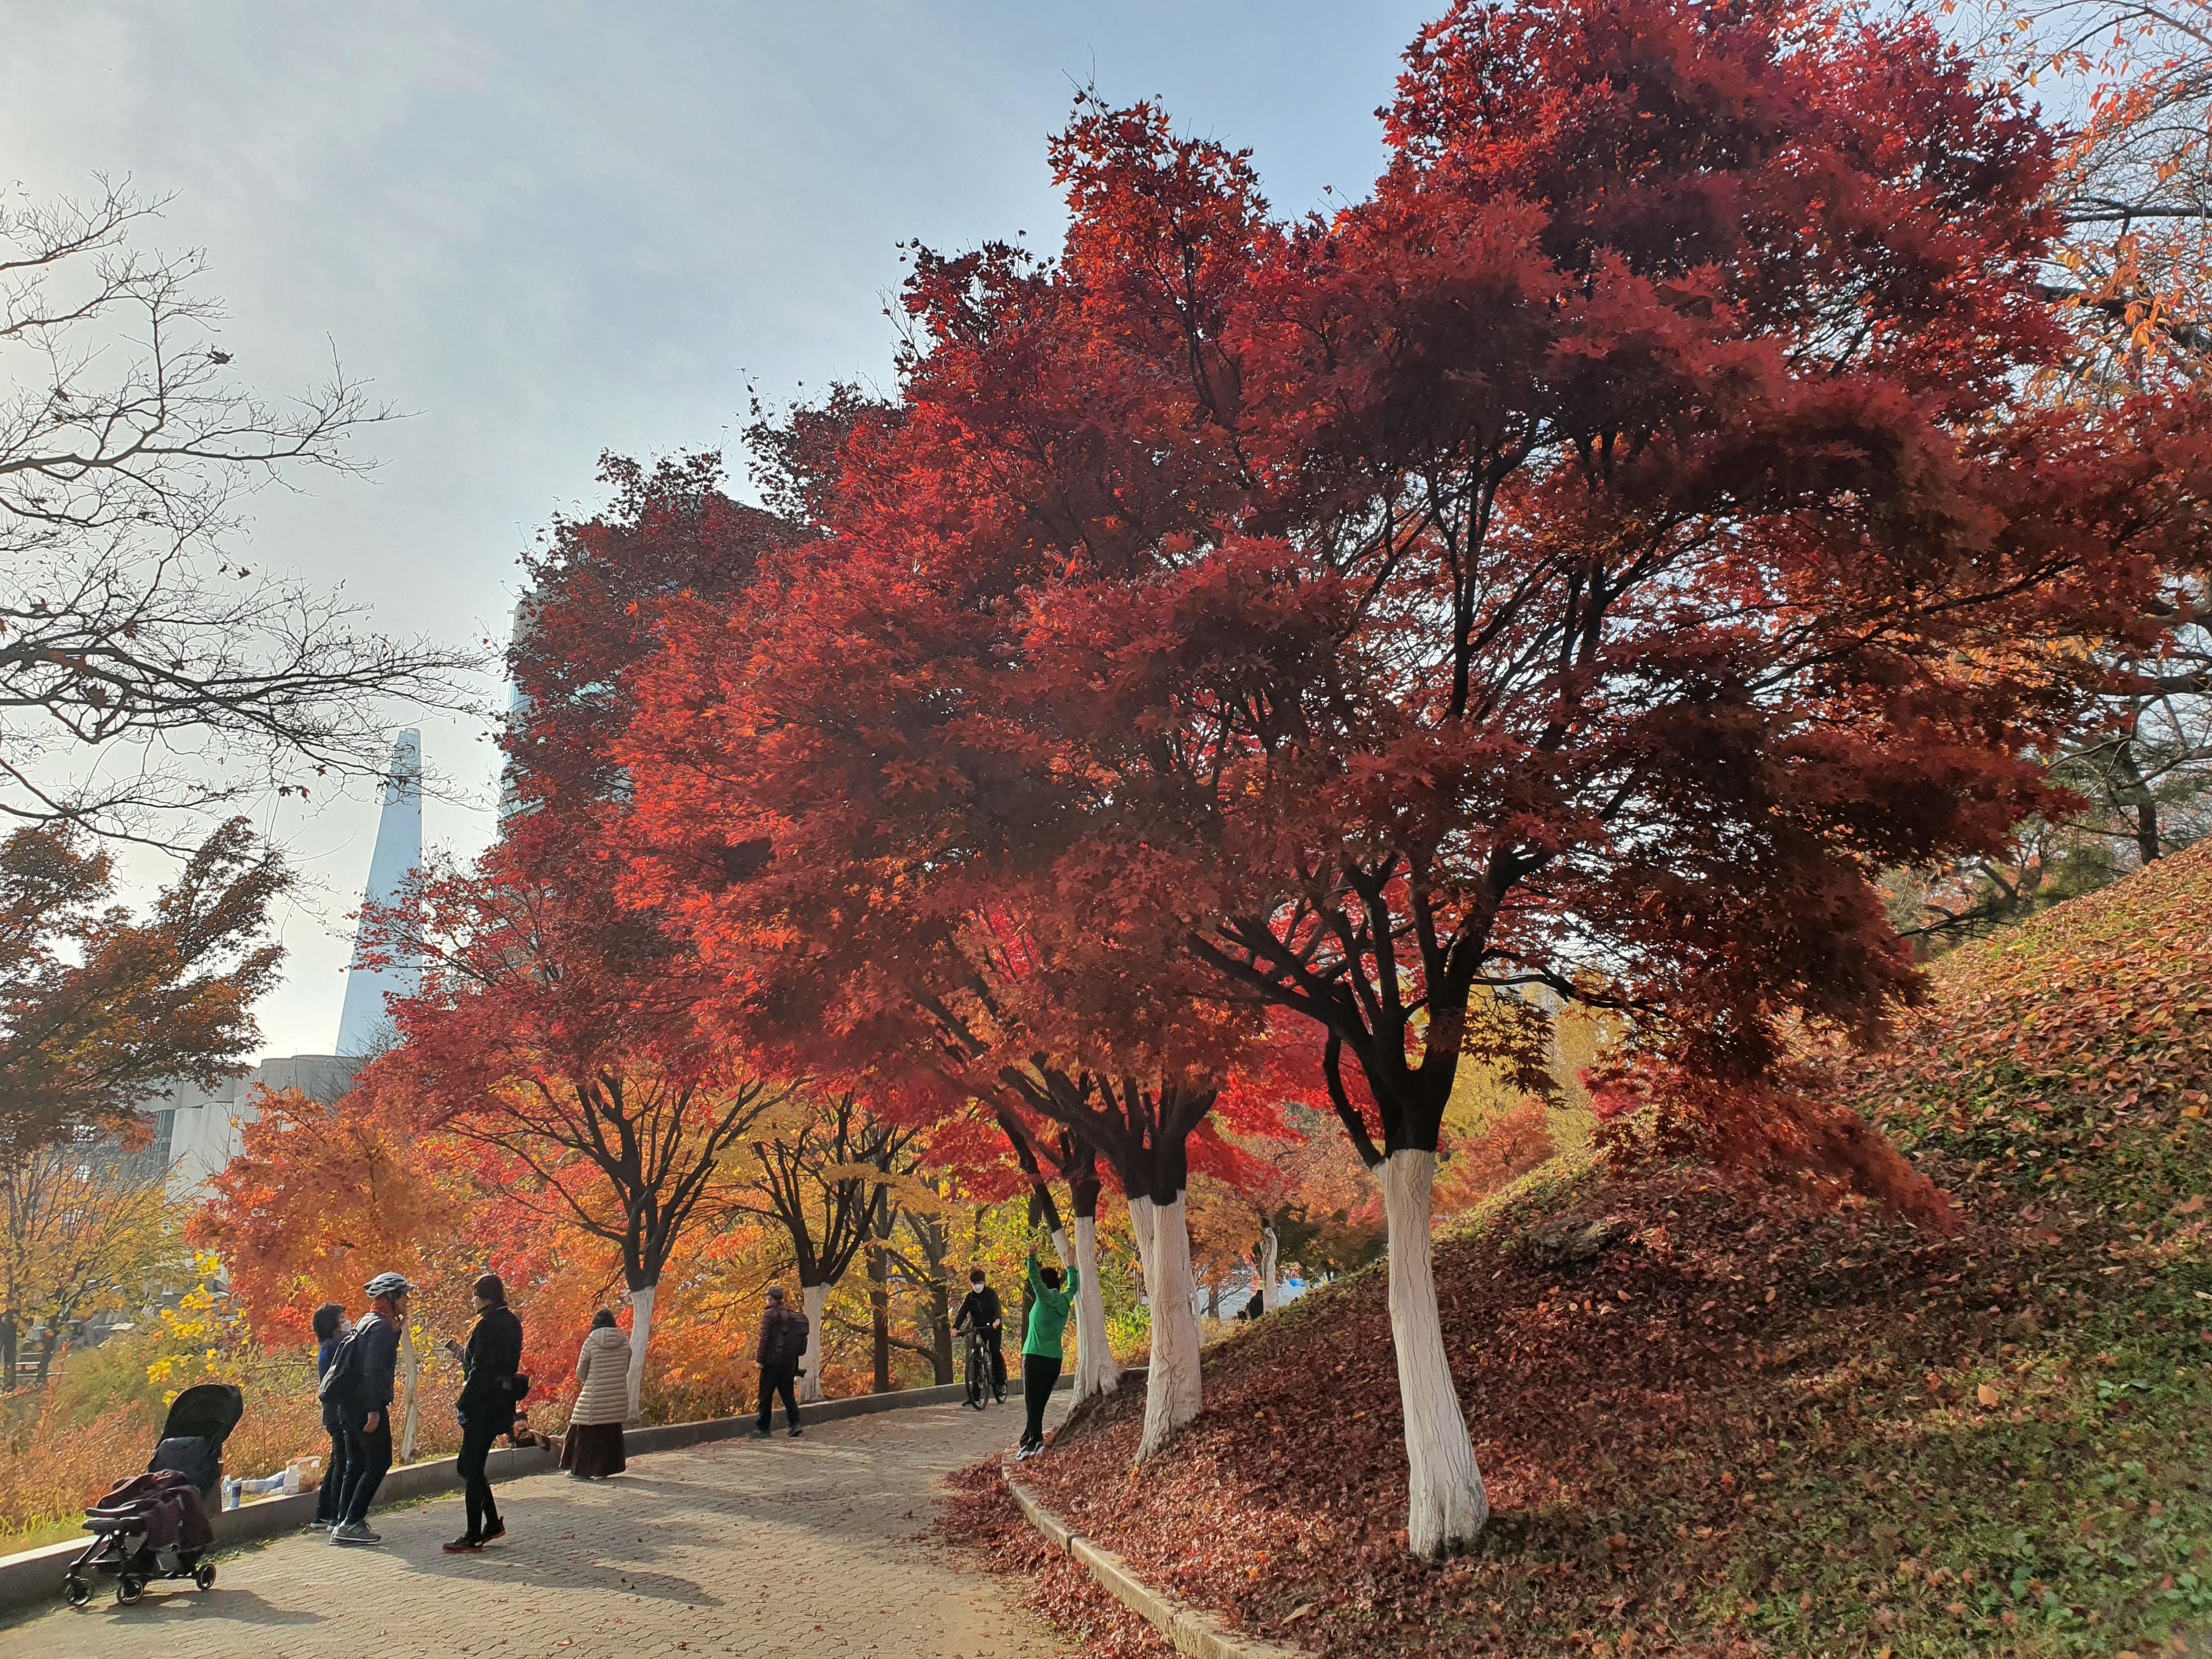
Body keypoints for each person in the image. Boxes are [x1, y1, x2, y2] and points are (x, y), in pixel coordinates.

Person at [441, 1272, 523, 1553]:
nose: (473, 1301)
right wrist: (462, 1353)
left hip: (482, 1405)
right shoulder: (511, 1321)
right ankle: (492, 1525)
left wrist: (463, 1403)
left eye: (475, 1295)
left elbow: (480, 1371)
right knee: (473, 1466)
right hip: (502, 1402)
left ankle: (474, 1534)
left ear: (485, 1298)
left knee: (469, 1467)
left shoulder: (488, 1326)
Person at [330, 1271, 408, 1545]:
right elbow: (374, 1369)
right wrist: (374, 1410)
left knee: (357, 1463)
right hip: (366, 1407)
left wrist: (396, 1331)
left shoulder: (368, 1322)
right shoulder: (381, 1327)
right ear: (390, 1297)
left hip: (349, 1405)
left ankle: (343, 1520)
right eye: (403, 1295)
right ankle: (351, 1523)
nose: (406, 1301)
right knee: (379, 1462)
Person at [1016, 1251, 1076, 1460]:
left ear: (1045, 1284)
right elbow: (1073, 1286)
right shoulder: (1064, 1301)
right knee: (1038, 1403)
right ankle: (1027, 1441)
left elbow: (1034, 1278)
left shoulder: (1044, 1297)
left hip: (1035, 1356)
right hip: (1054, 1360)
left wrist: (1031, 1256)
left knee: (1031, 1402)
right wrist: (1071, 1266)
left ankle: (1035, 1442)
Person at [561, 1309, 630, 1480]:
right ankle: (603, 1470)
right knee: (609, 1432)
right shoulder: (625, 1342)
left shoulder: (591, 1342)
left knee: (584, 1432)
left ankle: (580, 1471)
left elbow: (581, 1372)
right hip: (616, 1396)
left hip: (593, 1396)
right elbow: (626, 1368)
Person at [309, 1302, 352, 1532]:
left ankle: (323, 1514)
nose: (347, 1321)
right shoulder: (337, 1344)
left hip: (332, 1414)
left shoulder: (328, 1346)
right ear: (332, 1325)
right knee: (343, 1464)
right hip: (338, 1413)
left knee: (337, 1462)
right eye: (342, 1318)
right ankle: (336, 1514)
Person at [753, 1285, 808, 1440]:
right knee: (788, 1394)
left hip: (772, 1362)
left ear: (770, 1298)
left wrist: (760, 1360)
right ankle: (795, 1424)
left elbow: (765, 1340)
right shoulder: (790, 1314)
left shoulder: (769, 1315)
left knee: (765, 1395)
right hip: (789, 1361)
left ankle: (763, 1428)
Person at [951, 1267, 1005, 1407]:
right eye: (975, 1283)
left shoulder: (991, 1294)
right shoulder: (970, 1297)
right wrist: (956, 1327)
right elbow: (963, 1312)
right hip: (978, 1328)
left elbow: (997, 1307)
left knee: (995, 1352)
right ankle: (975, 1395)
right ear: (972, 1284)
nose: (977, 1285)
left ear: (984, 1282)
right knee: (975, 1358)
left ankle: (1001, 1384)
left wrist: (997, 1320)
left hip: (993, 1328)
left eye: (979, 1282)